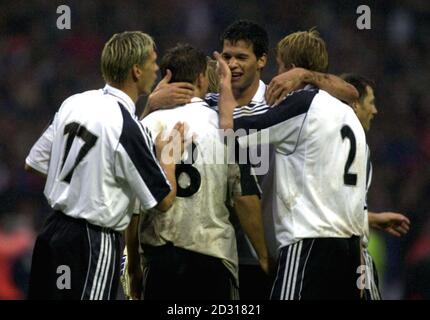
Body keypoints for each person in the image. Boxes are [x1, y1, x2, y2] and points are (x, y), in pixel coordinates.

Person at [24, 31, 186, 300]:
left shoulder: (74, 102)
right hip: (92, 242)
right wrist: (169, 156)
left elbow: (35, 163)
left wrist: (79, 187)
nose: (157, 68)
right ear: (136, 70)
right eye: (153, 62)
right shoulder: (129, 127)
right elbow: (164, 200)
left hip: (51, 232)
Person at [217, 28, 368, 300]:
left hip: (309, 244)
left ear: (290, 69)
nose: (276, 75)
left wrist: (224, 88)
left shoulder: (302, 105)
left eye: (280, 66)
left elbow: (231, 134)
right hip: (350, 249)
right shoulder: (348, 113)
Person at [126, 43, 267, 300]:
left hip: (161, 261)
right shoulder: (225, 128)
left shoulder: (146, 127)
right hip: (212, 258)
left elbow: (133, 210)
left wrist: (133, 268)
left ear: (166, 77)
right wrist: (264, 257)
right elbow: (244, 198)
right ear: (202, 77)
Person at [340, 73, 411, 300]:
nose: (375, 110)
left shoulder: (358, 145)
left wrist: (372, 219)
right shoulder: (344, 144)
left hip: (349, 253)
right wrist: (358, 255)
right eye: (371, 103)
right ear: (354, 104)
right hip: (342, 253)